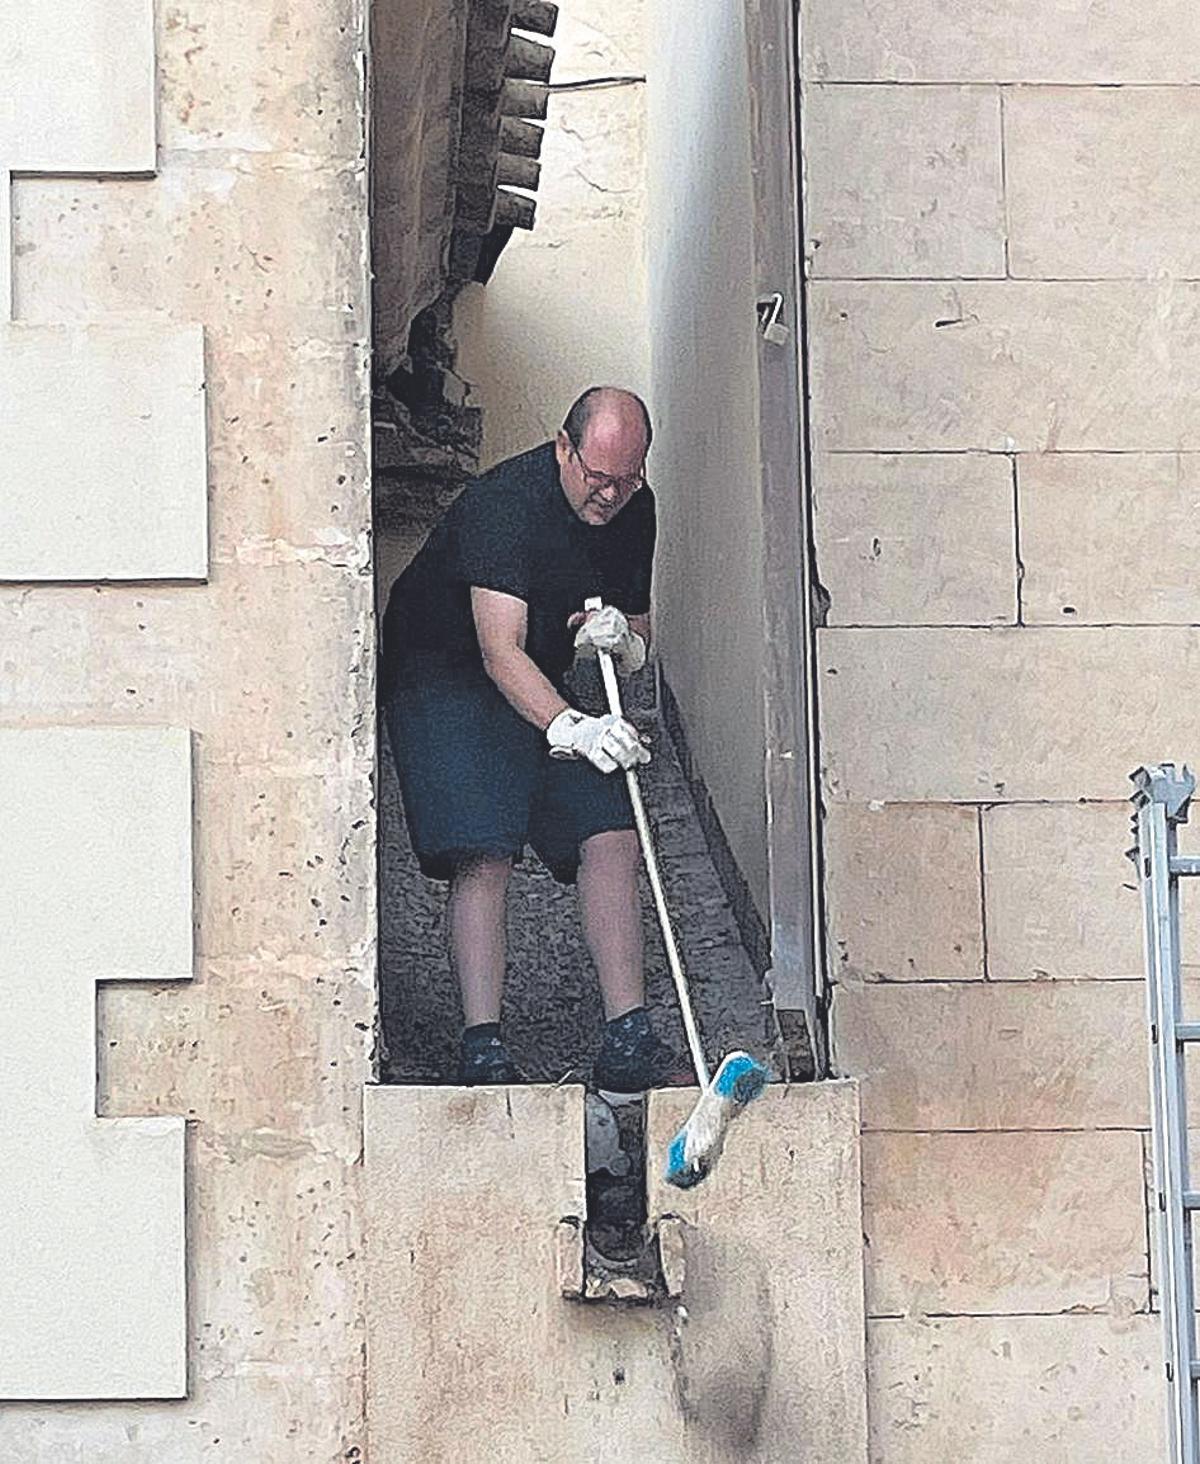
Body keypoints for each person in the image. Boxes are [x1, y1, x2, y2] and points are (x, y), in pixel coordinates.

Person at [381, 386, 691, 1094]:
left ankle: (629, 1039)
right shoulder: (506, 507)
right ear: (563, 447)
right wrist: (571, 727)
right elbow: (501, 651)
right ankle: (482, 1047)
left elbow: (635, 628)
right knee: (484, 846)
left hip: (538, 673)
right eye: (597, 477)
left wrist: (624, 643)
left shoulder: (633, 508)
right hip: (441, 672)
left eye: (627, 479)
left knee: (610, 828)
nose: (610, 495)